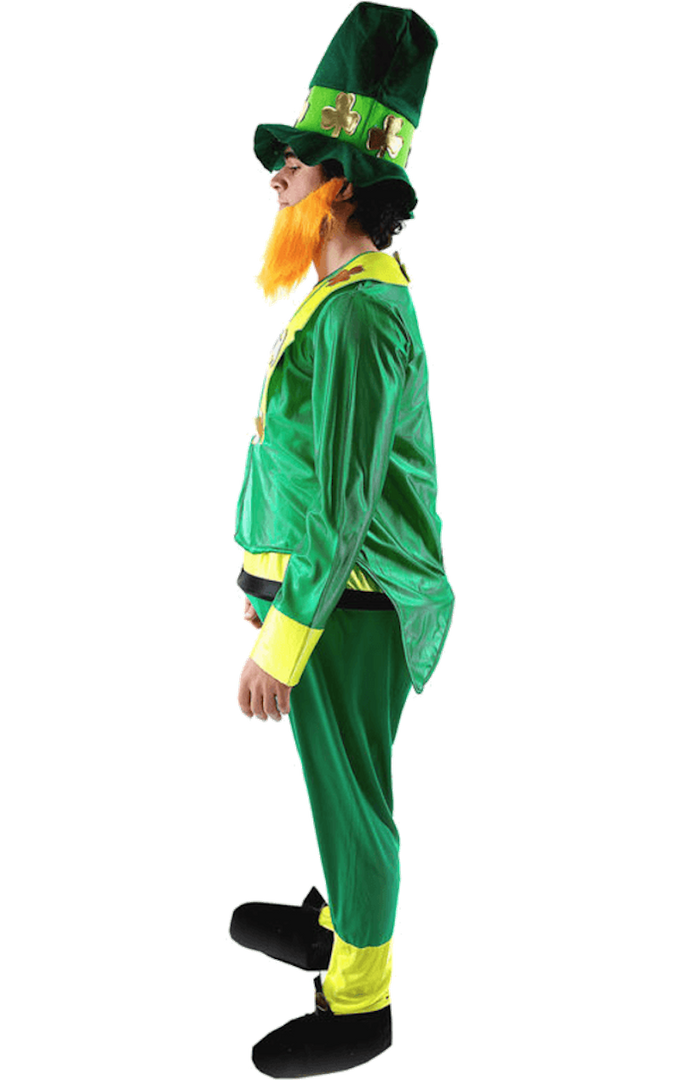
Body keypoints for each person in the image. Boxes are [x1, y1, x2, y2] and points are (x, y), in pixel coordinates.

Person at [230, 4, 455, 1076]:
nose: (278, 177)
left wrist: (282, 644)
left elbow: (348, 504)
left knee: (355, 801)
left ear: (344, 189)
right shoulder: (338, 300)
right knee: (336, 776)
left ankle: (360, 1002)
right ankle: (333, 922)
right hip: (328, 596)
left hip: (350, 606)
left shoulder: (362, 315)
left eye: (299, 163)